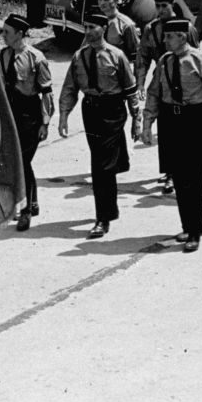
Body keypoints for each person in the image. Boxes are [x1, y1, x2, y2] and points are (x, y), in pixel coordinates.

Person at [141, 19, 202, 252]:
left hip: (197, 120)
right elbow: (154, 93)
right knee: (180, 179)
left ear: (182, 37)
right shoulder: (164, 61)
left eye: (169, 36)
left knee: (193, 177)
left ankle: (195, 230)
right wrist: (147, 124)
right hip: (171, 121)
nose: (164, 40)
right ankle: (188, 226)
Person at [59, 12, 141, 239]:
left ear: (103, 28)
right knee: (102, 160)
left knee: (101, 166)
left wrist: (137, 119)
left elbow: (131, 89)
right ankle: (108, 208)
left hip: (113, 109)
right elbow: (69, 88)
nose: (87, 31)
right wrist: (64, 116)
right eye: (85, 27)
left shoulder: (117, 56)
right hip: (91, 110)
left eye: (92, 26)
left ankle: (103, 218)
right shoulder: (80, 56)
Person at [140, 0, 199, 195]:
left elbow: (195, 56)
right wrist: (140, 83)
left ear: (172, 5)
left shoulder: (186, 27)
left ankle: (179, 173)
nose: (160, 10)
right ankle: (168, 172)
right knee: (165, 131)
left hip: (183, 82)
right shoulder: (151, 29)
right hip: (162, 79)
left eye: (164, 6)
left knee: (182, 132)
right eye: (157, 6)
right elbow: (143, 56)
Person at [0, 14, 54, 231]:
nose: (3, 36)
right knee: (18, 162)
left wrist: (45, 122)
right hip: (11, 113)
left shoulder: (36, 57)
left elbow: (47, 92)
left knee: (21, 161)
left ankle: (26, 212)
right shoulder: (2, 56)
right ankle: (32, 201)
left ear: (20, 34)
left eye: (7, 33)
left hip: (30, 115)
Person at [96, 0, 144, 89]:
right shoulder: (96, 22)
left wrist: (137, 84)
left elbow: (136, 56)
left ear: (117, 1)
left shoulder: (126, 25)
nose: (102, 3)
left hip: (119, 75)